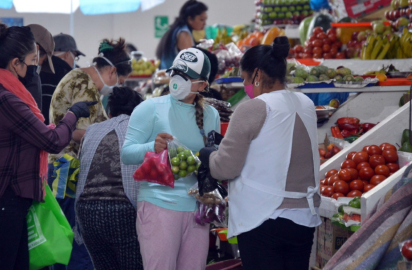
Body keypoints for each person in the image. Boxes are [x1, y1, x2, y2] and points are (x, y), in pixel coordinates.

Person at [0, 21, 95, 270]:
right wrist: (72, 114)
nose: (37, 65)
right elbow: (51, 140)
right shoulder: (4, 99)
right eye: (33, 59)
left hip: (3, 203)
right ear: (16, 63)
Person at [199, 37, 321, 270]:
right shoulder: (305, 104)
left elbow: (226, 167)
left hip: (264, 218)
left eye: (245, 79)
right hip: (304, 217)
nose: (246, 85)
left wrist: (208, 155)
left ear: (257, 74)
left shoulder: (253, 108)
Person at [121, 48, 220, 270]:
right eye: (175, 73)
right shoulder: (149, 108)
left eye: (186, 77)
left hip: (197, 210)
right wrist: (151, 146)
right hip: (159, 206)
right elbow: (126, 153)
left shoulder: (211, 115)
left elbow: (213, 158)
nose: (177, 80)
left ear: (202, 85)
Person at [48, 38, 132, 270]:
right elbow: (79, 133)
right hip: (68, 169)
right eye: (120, 81)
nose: (117, 86)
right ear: (112, 71)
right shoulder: (84, 84)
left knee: (67, 242)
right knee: (77, 242)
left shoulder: (80, 79)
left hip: (65, 168)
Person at [75, 86, 144, 270]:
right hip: (123, 211)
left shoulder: (92, 130)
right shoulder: (141, 129)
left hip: (86, 212)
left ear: (110, 111)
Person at [40, 33, 83, 124]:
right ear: (67, 54)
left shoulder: (37, 72)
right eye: (75, 56)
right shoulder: (69, 76)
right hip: (60, 132)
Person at [156, 0, 208, 70]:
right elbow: (193, 63)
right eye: (201, 20)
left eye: (205, 20)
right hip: (172, 78)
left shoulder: (177, 29)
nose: (204, 24)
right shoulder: (184, 34)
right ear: (190, 19)